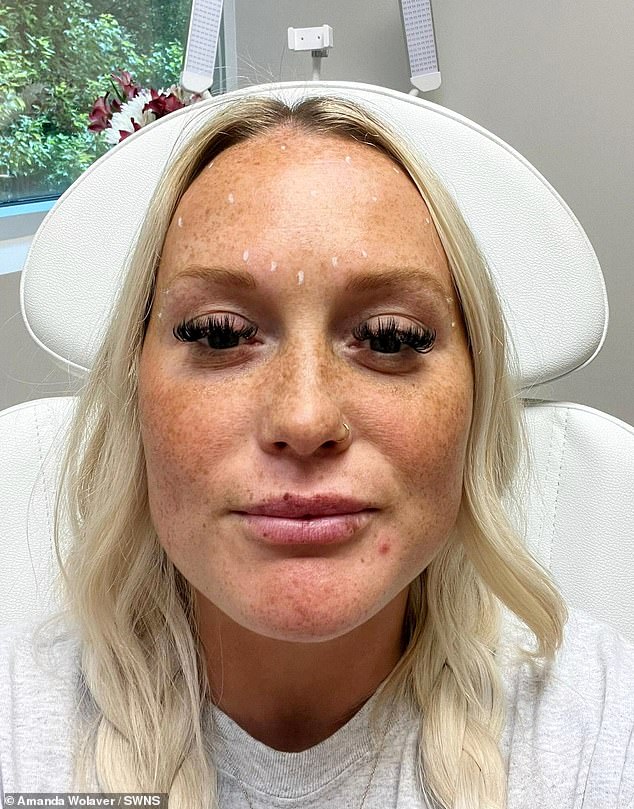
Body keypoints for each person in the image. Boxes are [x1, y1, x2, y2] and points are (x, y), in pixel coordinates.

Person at [1, 92, 633, 809]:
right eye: (217, 333)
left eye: (391, 337)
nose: (304, 418)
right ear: (135, 394)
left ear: (474, 405)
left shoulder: (600, 728)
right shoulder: (17, 733)